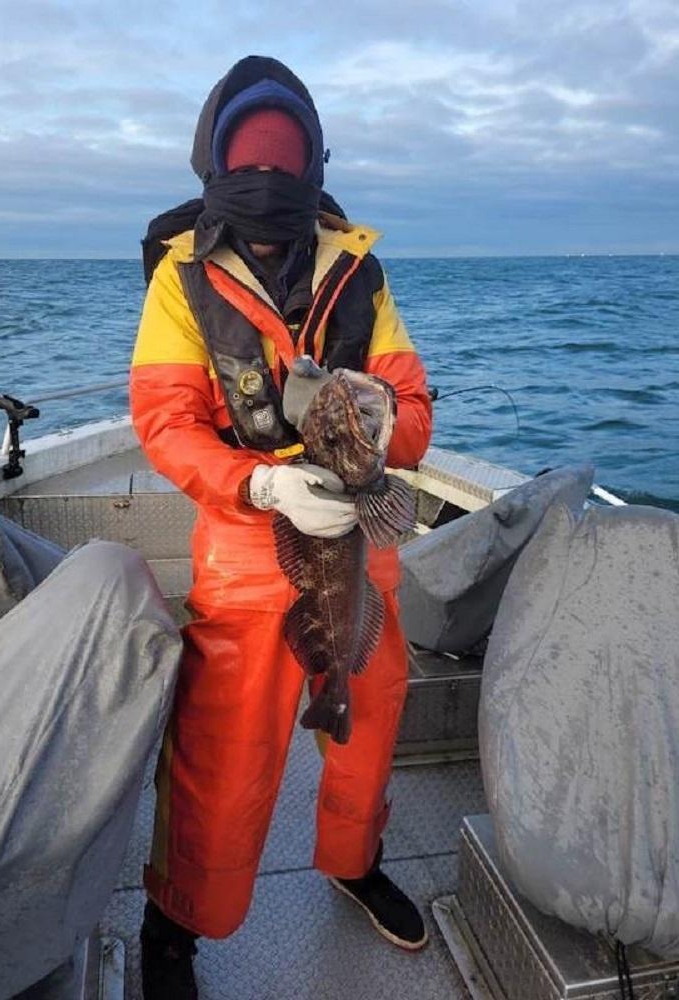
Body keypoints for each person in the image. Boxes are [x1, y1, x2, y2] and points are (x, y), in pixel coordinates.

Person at [130, 55, 433, 1000]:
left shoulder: (359, 269)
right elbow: (165, 423)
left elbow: (416, 409)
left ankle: (351, 859)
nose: (266, 180)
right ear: (212, 165)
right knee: (225, 749)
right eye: (247, 161)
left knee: (368, 713)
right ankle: (176, 919)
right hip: (243, 533)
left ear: (313, 169)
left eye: (283, 161)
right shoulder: (181, 281)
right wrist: (259, 488)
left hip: (360, 533)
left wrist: (381, 422)